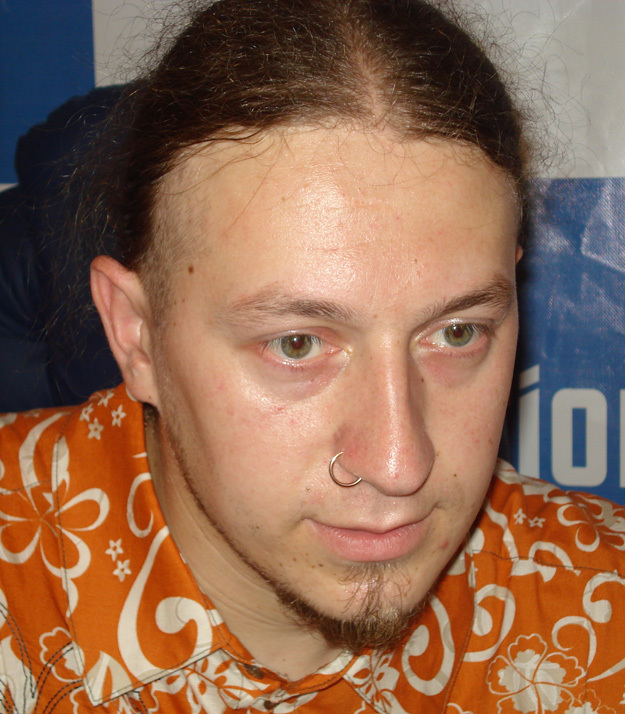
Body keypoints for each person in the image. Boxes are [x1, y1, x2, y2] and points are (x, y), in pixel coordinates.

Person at [1, 0, 624, 712]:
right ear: (136, 333)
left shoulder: (601, 610)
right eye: (296, 344)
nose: (399, 465)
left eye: (457, 332)